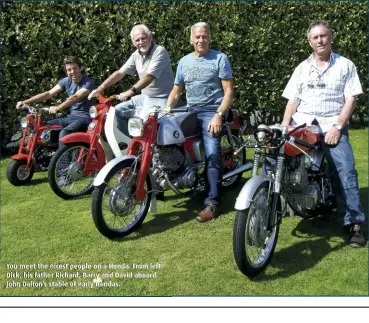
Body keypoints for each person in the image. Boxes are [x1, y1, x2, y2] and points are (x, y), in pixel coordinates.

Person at [281, 20, 366, 247]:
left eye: (323, 36)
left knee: (345, 170)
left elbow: (351, 98)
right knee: (276, 155)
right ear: (310, 42)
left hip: (332, 123)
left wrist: (338, 127)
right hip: (304, 123)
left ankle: (354, 224)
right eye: (315, 37)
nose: (320, 40)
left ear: (331, 37)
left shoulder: (346, 65)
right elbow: (293, 100)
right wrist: (284, 126)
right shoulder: (301, 68)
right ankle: (277, 204)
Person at [166, 22, 234, 222]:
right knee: (167, 139)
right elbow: (177, 91)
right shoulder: (184, 62)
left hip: (211, 111)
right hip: (190, 110)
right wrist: (166, 109)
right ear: (191, 39)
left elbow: (229, 91)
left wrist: (219, 114)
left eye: (204, 36)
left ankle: (212, 203)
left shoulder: (220, 58)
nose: (201, 40)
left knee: (212, 152)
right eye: (197, 37)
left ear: (210, 38)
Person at [88, 24, 174, 132]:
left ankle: (142, 146)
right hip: (145, 98)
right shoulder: (136, 55)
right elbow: (120, 72)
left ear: (150, 37)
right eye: (137, 40)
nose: (141, 42)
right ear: (134, 43)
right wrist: (100, 88)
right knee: (115, 112)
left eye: (143, 38)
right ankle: (130, 144)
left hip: (162, 99)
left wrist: (130, 91)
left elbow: (149, 76)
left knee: (146, 126)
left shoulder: (160, 52)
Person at [17, 56, 97, 146]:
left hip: (85, 118)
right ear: (66, 71)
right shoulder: (66, 81)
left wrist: (58, 107)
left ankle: (64, 160)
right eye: (69, 70)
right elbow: (48, 94)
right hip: (70, 117)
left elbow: (75, 97)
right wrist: (26, 102)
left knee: (64, 133)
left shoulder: (89, 82)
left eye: (75, 68)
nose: (72, 72)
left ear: (80, 68)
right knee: (42, 127)